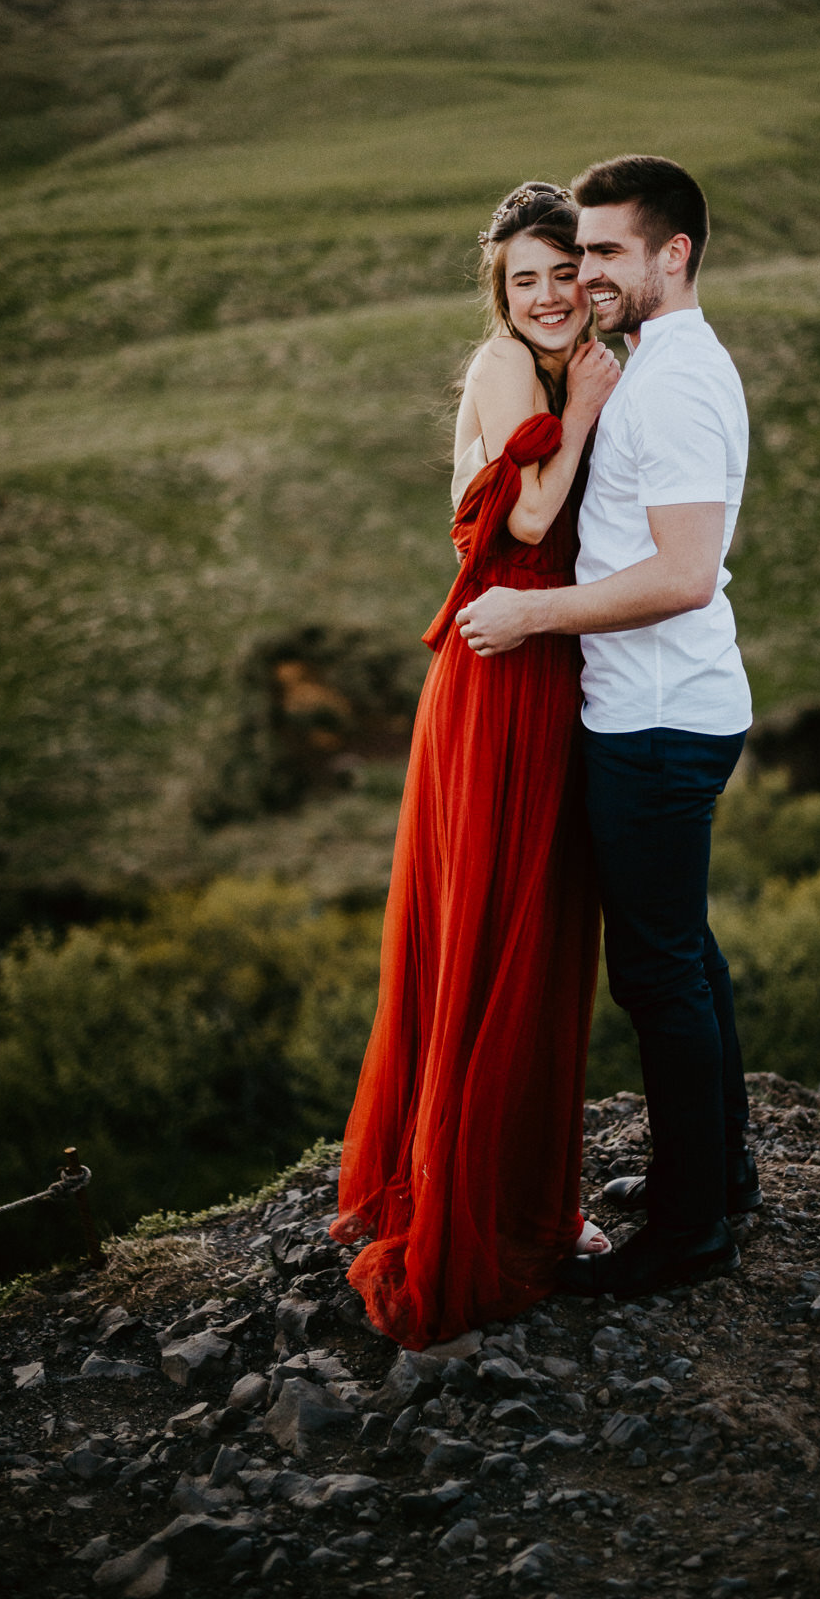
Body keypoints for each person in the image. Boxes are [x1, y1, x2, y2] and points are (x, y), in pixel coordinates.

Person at [457, 155, 760, 1302]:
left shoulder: (674, 380)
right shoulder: (651, 362)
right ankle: (717, 1175)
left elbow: (685, 575)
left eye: (607, 253)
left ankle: (688, 1236)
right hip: (663, 705)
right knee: (683, 950)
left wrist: (533, 613)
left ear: (671, 254)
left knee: (656, 974)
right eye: (577, 253)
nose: (585, 275)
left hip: (655, 718)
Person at [330, 182, 621, 1347]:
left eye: (562, 273)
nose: (546, 297)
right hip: (498, 675)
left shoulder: (567, 368)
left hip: (546, 665)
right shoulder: (511, 368)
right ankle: (470, 1204)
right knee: (488, 936)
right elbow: (536, 523)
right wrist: (590, 406)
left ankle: (524, 1193)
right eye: (524, 279)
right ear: (499, 293)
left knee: (533, 938)